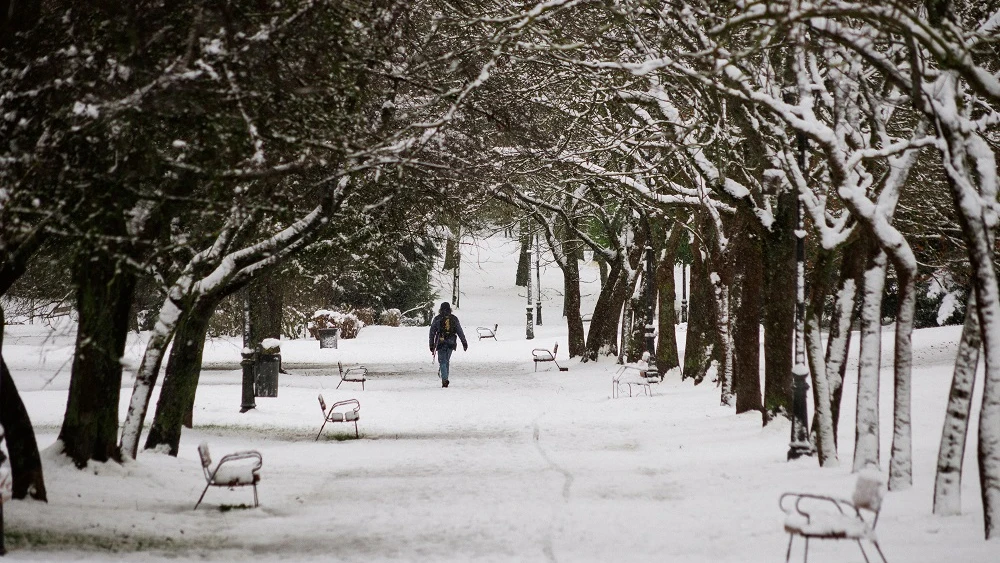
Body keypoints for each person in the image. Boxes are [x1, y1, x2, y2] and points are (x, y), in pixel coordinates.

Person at [428, 302, 468, 387]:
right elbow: (459, 331)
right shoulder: (454, 318)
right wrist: (464, 342)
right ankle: (445, 378)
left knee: (442, 361)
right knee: (446, 361)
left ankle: (444, 379)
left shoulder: (437, 319)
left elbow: (432, 332)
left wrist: (431, 344)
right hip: (451, 341)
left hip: (440, 341)